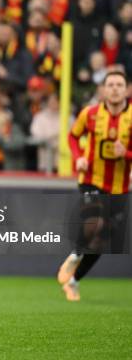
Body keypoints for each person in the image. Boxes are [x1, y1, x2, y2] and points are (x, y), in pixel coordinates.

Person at [57, 71, 132, 301]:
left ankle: (73, 281)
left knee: (100, 241)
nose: (115, 89)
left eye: (120, 84)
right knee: (95, 222)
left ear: (127, 89)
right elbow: (72, 136)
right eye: (111, 84)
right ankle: (75, 254)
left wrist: (126, 154)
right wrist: (78, 157)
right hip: (90, 178)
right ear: (103, 89)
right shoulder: (89, 114)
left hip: (119, 186)